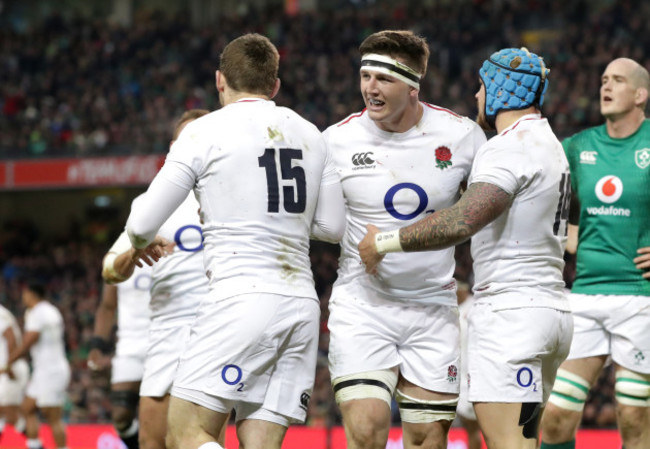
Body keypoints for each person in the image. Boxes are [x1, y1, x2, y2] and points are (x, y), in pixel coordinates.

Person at [125, 33, 345, 449]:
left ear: (219, 81)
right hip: (300, 305)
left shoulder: (203, 131)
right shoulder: (313, 134)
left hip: (239, 297)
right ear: (275, 85)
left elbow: (139, 226)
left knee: (187, 433)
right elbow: (332, 228)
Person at [358, 47, 574, 449]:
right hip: (551, 311)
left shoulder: (507, 147)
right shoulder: (550, 143)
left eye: (481, 86)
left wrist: (384, 242)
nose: (477, 96)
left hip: (512, 315)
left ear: (500, 90)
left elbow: (462, 221)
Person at [324, 30, 486, 449]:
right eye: (365, 76)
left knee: (427, 439)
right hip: (363, 304)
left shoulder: (463, 137)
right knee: (366, 430)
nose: (369, 88)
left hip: (433, 307)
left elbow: (485, 210)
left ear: (413, 85)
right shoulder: (336, 141)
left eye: (383, 78)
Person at [540, 58, 650, 449]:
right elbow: (547, 202)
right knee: (553, 419)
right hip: (585, 294)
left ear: (641, 95)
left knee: (634, 418)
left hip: (641, 299)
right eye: (603, 79)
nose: (606, 86)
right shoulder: (577, 147)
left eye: (618, 81)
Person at [101, 108, 214, 449]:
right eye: (187, 139)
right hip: (164, 331)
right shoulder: (152, 201)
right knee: (153, 441)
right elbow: (109, 270)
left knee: (199, 437)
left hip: (213, 326)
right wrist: (133, 254)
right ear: (173, 147)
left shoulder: (231, 195)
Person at [1, 281, 71, 449]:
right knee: (27, 408)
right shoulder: (50, 310)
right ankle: (35, 445)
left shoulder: (38, 313)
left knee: (53, 417)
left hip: (51, 371)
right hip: (43, 371)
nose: (23, 297)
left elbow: (28, 342)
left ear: (32, 294)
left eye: (25, 294)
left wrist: (8, 363)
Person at [89, 268, 152, 449]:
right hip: (129, 346)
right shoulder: (119, 257)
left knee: (160, 417)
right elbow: (107, 306)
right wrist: (97, 345)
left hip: (166, 342)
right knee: (120, 416)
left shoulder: (171, 247)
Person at [455, 283, 482, 449]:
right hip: (458, 379)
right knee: (469, 429)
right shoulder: (452, 309)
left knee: (476, 430)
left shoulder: (474, 306)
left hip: (475, 378)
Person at [0, 304, 28, 440]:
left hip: (10, 370)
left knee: (10, 414)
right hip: (5, 371)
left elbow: (11, 338)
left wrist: (8, 367)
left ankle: (36, 443)